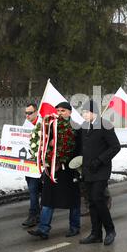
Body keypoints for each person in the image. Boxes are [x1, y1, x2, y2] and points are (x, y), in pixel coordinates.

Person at [28, 102, 81, 240]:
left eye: (63, 110)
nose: (60, 113)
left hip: (69, 169)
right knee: (48, 198)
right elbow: (44, 141)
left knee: (73, 199)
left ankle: (74, 227)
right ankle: (43, 229)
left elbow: (79, 148)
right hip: (53, 168)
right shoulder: (51, 125)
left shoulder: (76, 127)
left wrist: (77, 167)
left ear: (70, 112)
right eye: (57, 110)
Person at [78, 100, 121, 246]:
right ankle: (96, 233)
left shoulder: (105, 125)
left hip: (101, 169)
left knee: (98, 198)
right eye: (82, 112)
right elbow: (81, 147)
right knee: (91, 201)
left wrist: (100, 160)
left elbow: (115, 147)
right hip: (87, 170)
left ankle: (110, 230)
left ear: (94, 112)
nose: (83, 115)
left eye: (86, 112)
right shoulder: (84, 126)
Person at [22, 103, 43, 227]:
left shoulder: (41, 125)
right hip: (28, 163)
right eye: (26, 113)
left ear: (36, 112)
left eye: (30, 113)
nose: (27, 115)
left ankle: (33, 215)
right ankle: (38, 213)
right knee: (33, 189)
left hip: (39, 164)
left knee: (34, 190)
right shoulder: (25, 124)